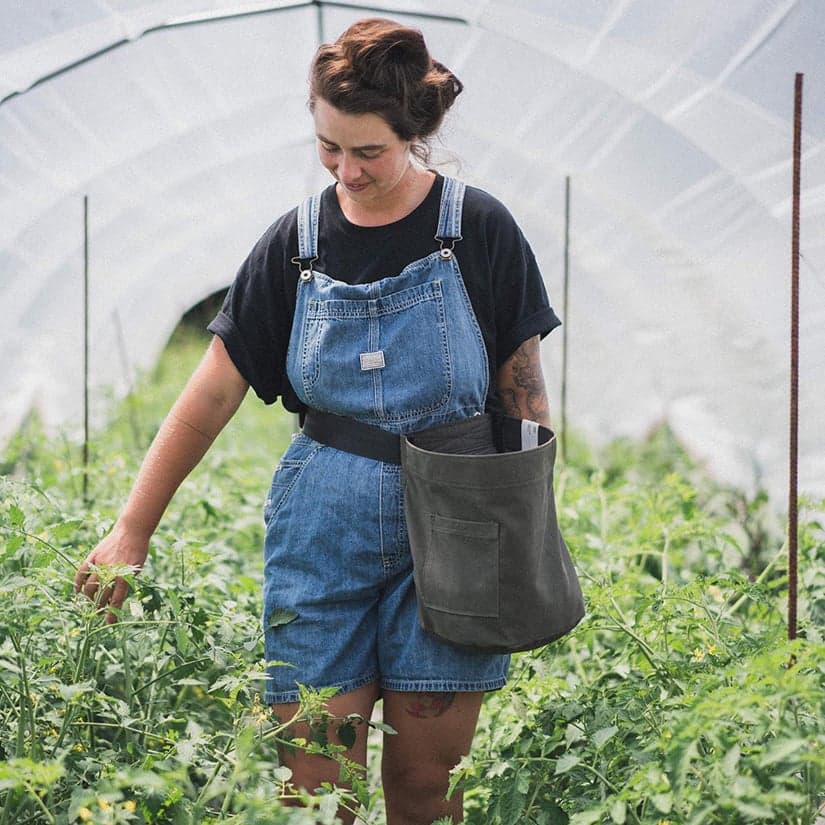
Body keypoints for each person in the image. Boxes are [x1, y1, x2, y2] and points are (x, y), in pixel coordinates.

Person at [74, 17, 560, 825]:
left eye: (367, 151)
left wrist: (526, 536)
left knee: (424, 779)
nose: (346, 169)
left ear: (415, 133)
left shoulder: (478, 229)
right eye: (328, 146)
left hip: (457, 521)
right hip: (320, 525)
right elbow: (209, 395)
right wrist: (132, 529)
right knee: (315, 779)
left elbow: (525, 394)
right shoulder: (295, 243)